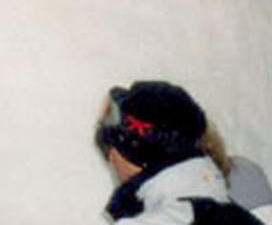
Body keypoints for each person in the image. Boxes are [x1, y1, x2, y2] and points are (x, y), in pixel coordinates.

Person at [94, 80, 262, 224]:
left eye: (110, 150)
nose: (112, 162)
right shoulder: (232, 215)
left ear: (129, 154)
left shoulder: (172, 218)